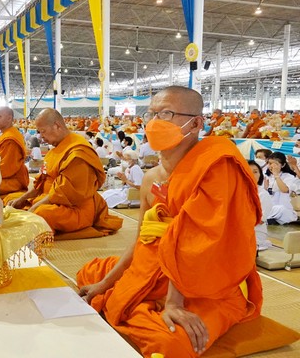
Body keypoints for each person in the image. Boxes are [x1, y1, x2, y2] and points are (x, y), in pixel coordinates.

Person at [76, 86, 263, 357]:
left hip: (202, 284)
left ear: (197, 123)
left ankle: (143, 311)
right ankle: (133, 304)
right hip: (151, 268)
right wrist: (104, 284)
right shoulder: (151, 178)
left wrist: (174, 303)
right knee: (92, 275)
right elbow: (141, 239)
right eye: (152, 114)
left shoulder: (216, 166)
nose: (155, 122)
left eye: (167, 113)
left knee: (173, 344)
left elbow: (197, 242)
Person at [7, 108, 123, 235]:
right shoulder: (55, 150)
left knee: (41, 214)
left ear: (56, 126)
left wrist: (35, 208)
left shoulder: (78, 153)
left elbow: (63, 192)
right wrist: (22, 198)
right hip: (49, 200)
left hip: (74, 208)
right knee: (12, 199)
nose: (41, 137)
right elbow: (41, 182)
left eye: (43, 132)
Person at [0, 106, 29, 197]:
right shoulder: (5, 135)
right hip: (4, 176)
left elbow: (6, 168)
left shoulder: (10, 139)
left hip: (12, 180)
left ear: (9, 118)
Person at [264, 152, 298, 225]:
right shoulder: (266, 176)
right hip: (269, 208)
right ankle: (268, 219)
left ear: (283, 165)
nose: (272, 166)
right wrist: (265, 189)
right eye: (270, 163)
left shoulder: (289, 177)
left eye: (275, 164)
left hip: (283, 211)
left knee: (280, 209)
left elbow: (284, 190)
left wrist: (276, 175)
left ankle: (267, 219)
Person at [248, 160, 273, 251]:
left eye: (255, 172)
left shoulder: (263, 194)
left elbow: (260, 220)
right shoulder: (236, 192)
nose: (252, 174)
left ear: (260, 175)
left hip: (254, 233)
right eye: (248, 171)